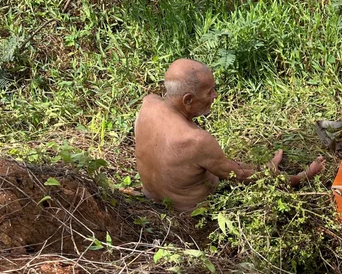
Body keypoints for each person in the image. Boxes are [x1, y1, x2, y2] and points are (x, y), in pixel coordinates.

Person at [134, 59, 325, 212]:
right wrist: (300, 178)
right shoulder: (195, 140)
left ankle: (267, 168)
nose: (215, 96)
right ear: (188, 100)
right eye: (210, 92)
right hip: (191, 213)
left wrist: (264, 167)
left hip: (151, 201)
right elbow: (240, 176)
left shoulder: (148, 104)